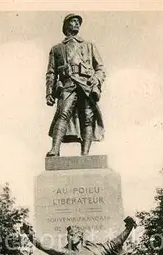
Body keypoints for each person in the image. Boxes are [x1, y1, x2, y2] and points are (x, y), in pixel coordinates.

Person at [45, 13, 106, 157]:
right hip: (67, 85)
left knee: (87, 117)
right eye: (73, 21)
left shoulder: (89, 46)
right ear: (66, 26)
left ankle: (85, 154)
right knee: (62, 114)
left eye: (78, 22)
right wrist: (49, 93)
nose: (77, 23)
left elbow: (100, 69)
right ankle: (55, 150)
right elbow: (51, 73)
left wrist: (96, 80)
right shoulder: (57, 49)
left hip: (86, 85)